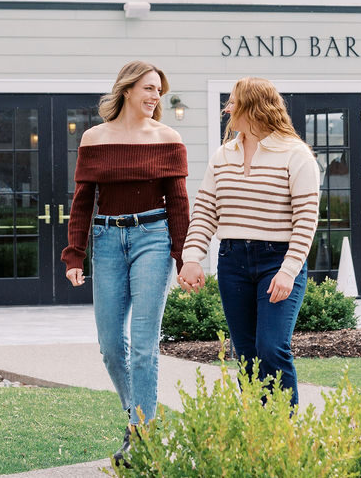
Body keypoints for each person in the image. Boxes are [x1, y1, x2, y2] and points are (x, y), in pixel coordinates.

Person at [61, 60, 188, 466]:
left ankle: (142, 438)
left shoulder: (168, 138)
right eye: (149, 89)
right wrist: (74, 253)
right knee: (112, 346)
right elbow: (82, 201)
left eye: (159, 92)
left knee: (145, 347)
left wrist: (184, 257)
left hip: (152, 237)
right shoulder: (95, 138)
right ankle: (136, 418)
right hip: (106, 239)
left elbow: (179, 205)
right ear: (127, 90)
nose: (154, 98)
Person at [178, 77, 320, 406]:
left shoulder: (295, 154)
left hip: (278, 261)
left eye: (233, 102)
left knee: (271, 347)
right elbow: (205, 210)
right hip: (233, 262)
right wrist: (192, 256)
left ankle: (283, 433)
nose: (227, 108)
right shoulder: (223, 155)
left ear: (254, 108)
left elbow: (306, 218)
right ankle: (258, 431)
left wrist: (288, 270)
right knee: (246, 354)